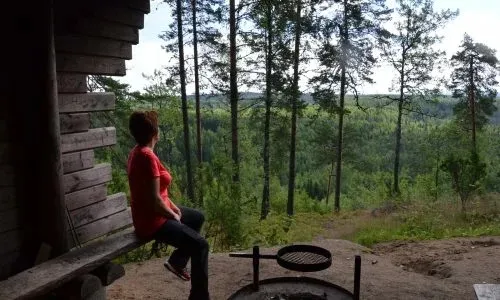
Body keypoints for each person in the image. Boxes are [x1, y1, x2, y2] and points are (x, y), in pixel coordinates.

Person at [126, 110, 210, 300]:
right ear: (155, 133)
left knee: (197, 217)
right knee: (201, 246)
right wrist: (173, 216)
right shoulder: (146, 157)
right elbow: (155, 201)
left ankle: (178, 262)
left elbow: (157, 193)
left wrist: (173, 206)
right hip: (152, 222)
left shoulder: (137, 152)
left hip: (153, 213)